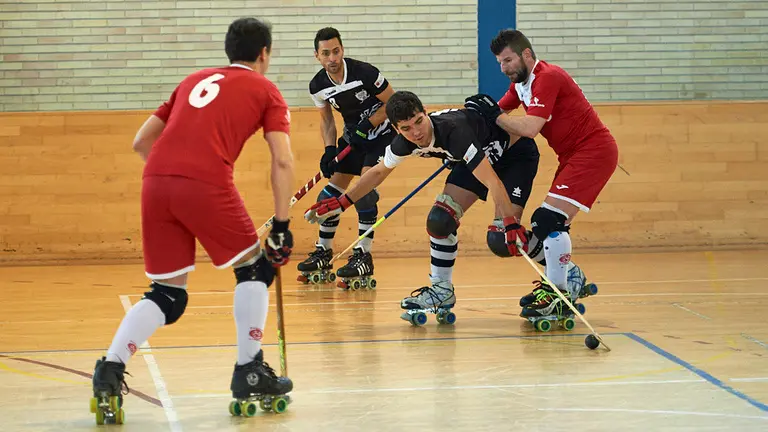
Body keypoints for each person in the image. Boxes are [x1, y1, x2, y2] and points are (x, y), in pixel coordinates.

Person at [90, 17, 295, 420]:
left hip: (155, 181)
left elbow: (141, 141)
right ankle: (249, 370)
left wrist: (171, 176)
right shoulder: (265, 89)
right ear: (264, 53)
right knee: (254, 271)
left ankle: (109, 371)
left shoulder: (192, 80)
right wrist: (282, 226)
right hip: (203, 181)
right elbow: (283, 159)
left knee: (168, 294)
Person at [304, 90, 539, 319]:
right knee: (440, 221)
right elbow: (377, 172)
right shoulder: (403, 144)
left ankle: (563, 274)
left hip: (514, 154)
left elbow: (492, 180)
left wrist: (509, 222)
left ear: (426, 113)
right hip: (477, 155)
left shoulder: (454, 133)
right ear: (396, 129)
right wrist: (342, 202)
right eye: (406, 128)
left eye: (419, 122)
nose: (416, 133)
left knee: (502, 239)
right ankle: (441, 291)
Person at [464, 29, 618, 319]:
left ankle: (557, 293)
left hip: (593, 152)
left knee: (547, 219)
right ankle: (565, 281)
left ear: (526, 54)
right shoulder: (522, 85)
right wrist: (467, 126)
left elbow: (530, 128)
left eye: (508, 60)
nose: (503, 68)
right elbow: (497, 117)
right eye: (499, 63)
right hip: (572, 156)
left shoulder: (547, 77)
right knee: (546, 222)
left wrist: (492, 114)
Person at [298, 27, 396, 289]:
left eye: (336, 51)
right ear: (317, 56)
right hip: (354, 140)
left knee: (363, 192)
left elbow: (395, 103)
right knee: (327, 196)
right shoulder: (318, 86)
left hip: (381, 138)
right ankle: (323, 252)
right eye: (326, 53)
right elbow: (327, 121)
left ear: (342, 50)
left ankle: (363, 256)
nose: (332, 58)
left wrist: (371, 122)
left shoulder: (365, 73)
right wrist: (329, 150)